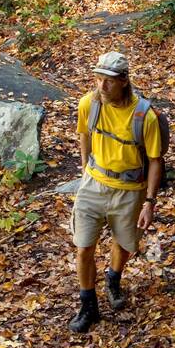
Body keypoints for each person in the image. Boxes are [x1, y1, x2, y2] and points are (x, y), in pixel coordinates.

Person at [70, 51, 163, 332]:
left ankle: (113, 277)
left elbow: (155, 160)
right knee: (83, 246)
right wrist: (86, 168)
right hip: (93, 185)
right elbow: (84, 135)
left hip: (129, 191)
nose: (101, 87)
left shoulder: (144, 116)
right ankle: (88, 306)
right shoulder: (89, 104)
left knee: (124, 244)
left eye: (108, 81)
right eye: (97, 80)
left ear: (124, 80)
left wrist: (149, 202)